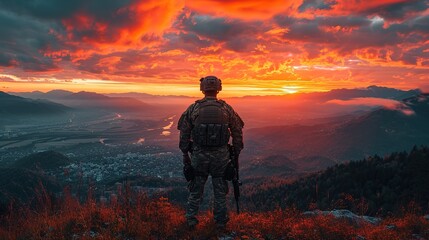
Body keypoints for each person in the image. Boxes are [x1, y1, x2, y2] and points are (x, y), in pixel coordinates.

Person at [177, 76, 244, 230]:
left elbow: (184, 133)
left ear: (203, 88)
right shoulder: (226, 108)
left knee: (195, 190)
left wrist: (185, 154)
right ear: (218, 88)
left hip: (199, 156)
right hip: (221, 157)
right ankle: (220, 223)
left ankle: (191, 221)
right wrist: (236, 153)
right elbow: (237, 132)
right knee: (220, 192)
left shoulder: (193, 108)